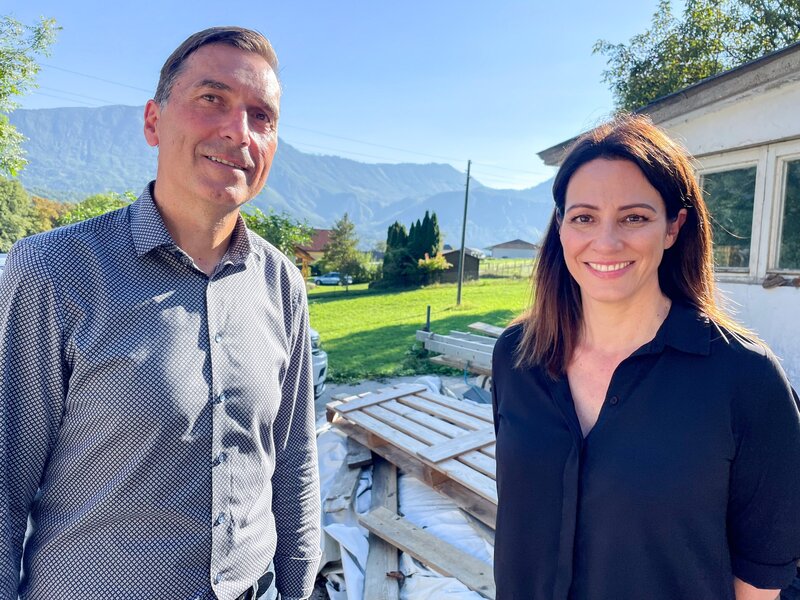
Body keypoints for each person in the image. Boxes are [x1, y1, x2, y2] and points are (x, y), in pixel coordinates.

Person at [0, 27, 321, 600]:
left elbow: (294, 464)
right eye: (212, 98)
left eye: (262, 116)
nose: (238, 131)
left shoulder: (281, 285)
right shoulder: (53, 270)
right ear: (154, 121)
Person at [491, 114, 800, 599]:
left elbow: (761, 579)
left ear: (674, 226)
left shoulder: (746, 378)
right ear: (561, 227)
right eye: (584, 217)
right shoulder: (516, 357)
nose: (606, 242)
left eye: (634, 217)